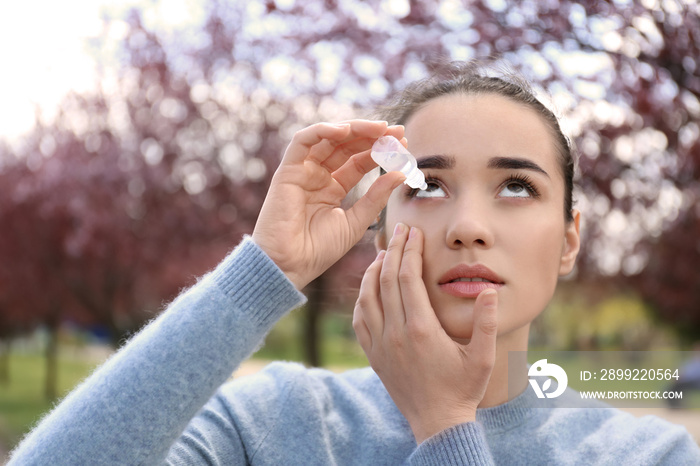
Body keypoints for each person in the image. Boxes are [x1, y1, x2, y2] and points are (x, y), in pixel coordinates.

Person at [8, 61, 699, 465]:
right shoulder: (270, 424)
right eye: (426, 187)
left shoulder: (648, 456)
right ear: (380, 228)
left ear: (570, 238)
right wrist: (261, 271)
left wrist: (445, 427)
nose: (467, 228)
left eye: (517, 186)